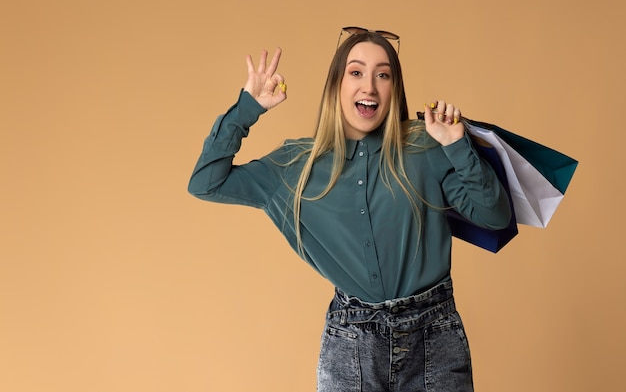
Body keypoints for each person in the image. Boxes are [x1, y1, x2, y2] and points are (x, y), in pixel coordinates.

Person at [188, 27, 512, 392]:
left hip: (434, 339)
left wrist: (457, 145)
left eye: (383, 74)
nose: (369, 86)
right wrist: (247, 109)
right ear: (336, 86)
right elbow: (206, 182)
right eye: (356, 72)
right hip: (351, 347)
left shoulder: (426, 147)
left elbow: (494, 216)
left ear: (394, 89)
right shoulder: (296, 165)